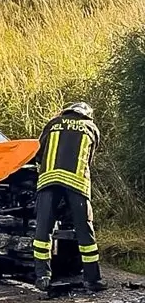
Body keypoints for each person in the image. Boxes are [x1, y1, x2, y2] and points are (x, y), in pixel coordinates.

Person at [33, 102, 106, 293]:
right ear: (87, 115)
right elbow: (89, 158)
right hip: (77, 183)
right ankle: (93, 279)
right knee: (84, 230)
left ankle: (42, 276)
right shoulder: (90, 127)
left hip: (48, 181)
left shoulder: (53, 123)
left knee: (43, 231)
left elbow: (38, 153)